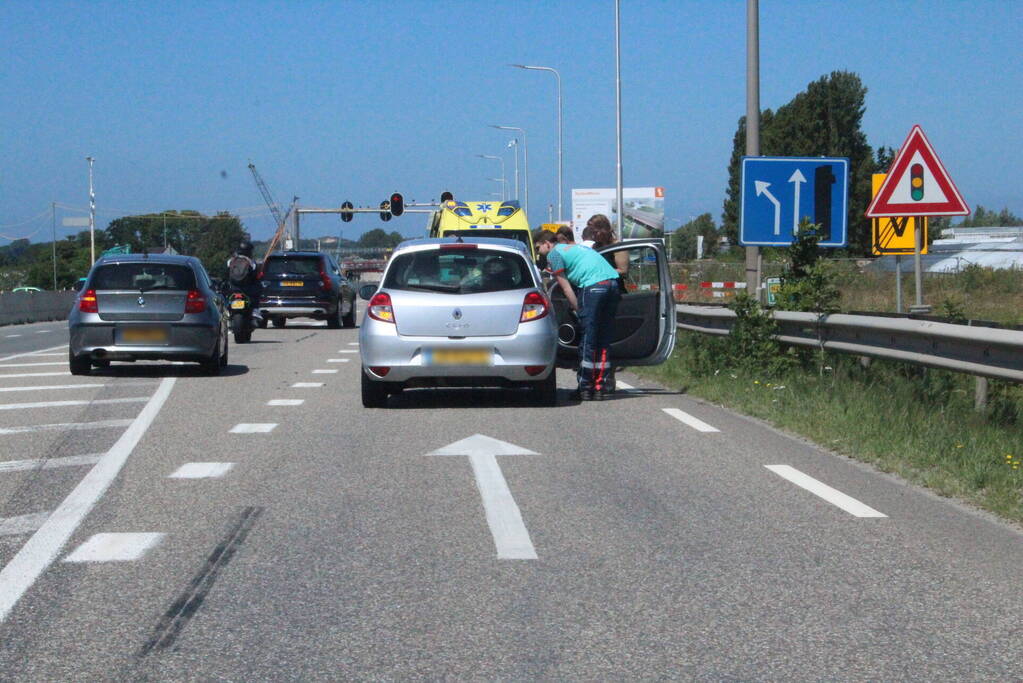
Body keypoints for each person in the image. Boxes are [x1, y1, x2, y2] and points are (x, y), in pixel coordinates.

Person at [534, 230, 621, 401]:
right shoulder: (576, 248)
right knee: (603, 339)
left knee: (588, 338)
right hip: (612, 284)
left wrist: (578, 310)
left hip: (593, 286)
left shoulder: (554, 254)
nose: (539, 253)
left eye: (538, 248)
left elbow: (565, 288)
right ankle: (600, 387)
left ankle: (585, 387)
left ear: (547, 244)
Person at [226, 240, 262, 319]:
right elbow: (255, 276)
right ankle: (255, 310)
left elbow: (226, 273)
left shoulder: (230, 261)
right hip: (246, 289)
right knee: (258, 289)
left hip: (233, 288)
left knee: (225, 295)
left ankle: (226, 310)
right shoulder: (251, 262)